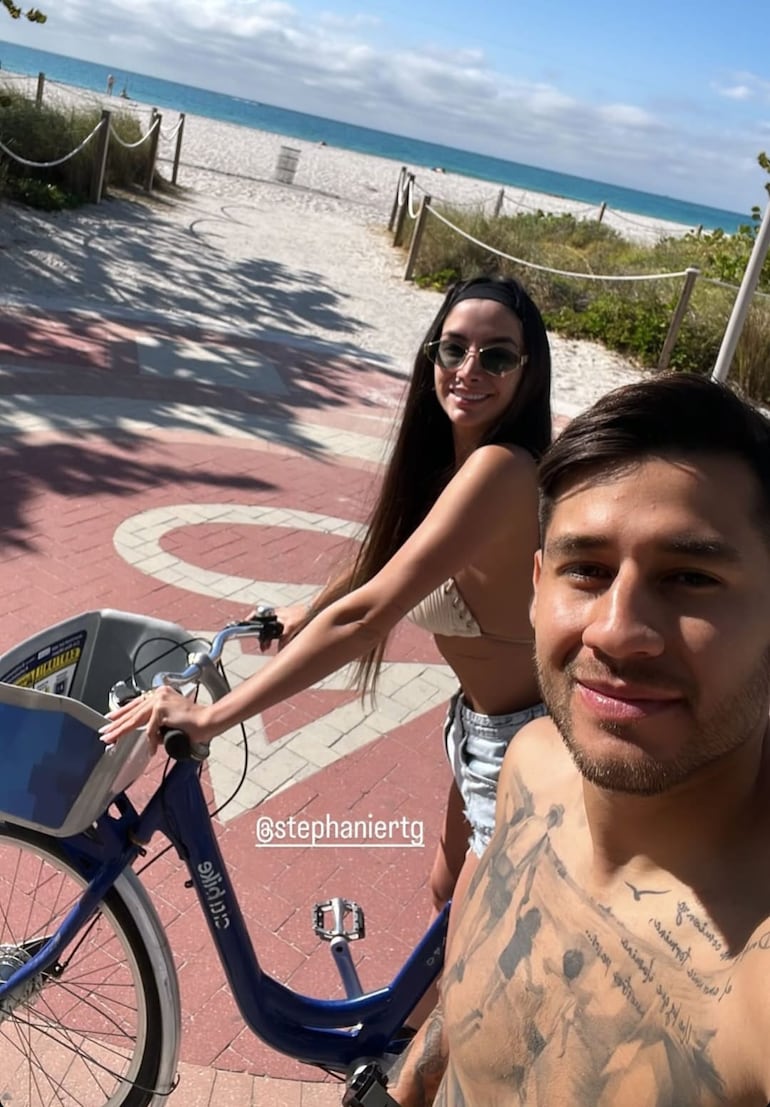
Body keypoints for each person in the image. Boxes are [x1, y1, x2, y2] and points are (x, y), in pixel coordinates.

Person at [101, 274, 552, 920]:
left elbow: (367, 614)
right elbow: (388, 558)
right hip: (479, 727)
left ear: (527, 373)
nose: (469, 369)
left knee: (475, 939)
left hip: (526, 748)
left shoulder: (501, 468)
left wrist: (213, 719)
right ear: (432, 356)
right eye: (453, 349)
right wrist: (307, 608)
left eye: (497, 355)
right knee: (446, 896)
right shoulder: (456, 462)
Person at [388, 372, 770, 1106]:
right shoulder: (530, 767)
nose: (617, 629)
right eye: (587, 570)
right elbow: (465, 994)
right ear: (537, 587)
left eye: (690, 577)